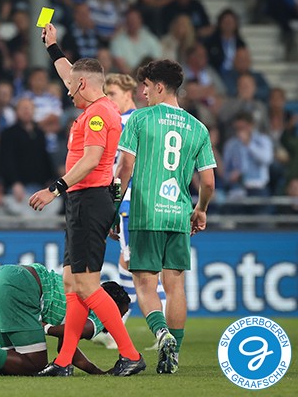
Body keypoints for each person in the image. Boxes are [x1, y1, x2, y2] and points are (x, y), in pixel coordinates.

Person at [27, 23, 145, 377]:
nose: (66, 89)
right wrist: (53, 46)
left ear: (82, 85)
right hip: (85, 202)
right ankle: (64, 361)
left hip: (89, 200)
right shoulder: (99, 106)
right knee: (72, 284)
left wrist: (54, 189)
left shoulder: (97, 115)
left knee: (86, 286)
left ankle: (130, 354)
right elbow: (70, 73)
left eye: (71, 85)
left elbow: (92, 160)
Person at [115, 59, 216, 374]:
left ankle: (161, 334)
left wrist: (112, 208)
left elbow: (125, 168)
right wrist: (200, 209)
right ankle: (175, 355)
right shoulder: (198, 128)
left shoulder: (139, 119)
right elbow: (209, 182)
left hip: (146, 213)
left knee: (145, 283)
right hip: (179, 214)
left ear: (159, 86)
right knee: (175, 286)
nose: (143, 93)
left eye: (146, 86)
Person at [0, 263, 131, 376]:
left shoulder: (80, 291)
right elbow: (83, 330)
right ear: (111, 304)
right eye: (118, 314)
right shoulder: (97, 304)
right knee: (36, 364)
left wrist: (96, 372)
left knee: (12, 366)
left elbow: (66, 348)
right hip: (18, 285)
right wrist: (45, 328)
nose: (117, 321)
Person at [96, 73, 166, 350]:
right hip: (149, 202)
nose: (109, 100)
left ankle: (155, 331)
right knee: (130, 264)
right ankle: (117, 327)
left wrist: (112, 203)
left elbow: (123, 167)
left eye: (112, 94)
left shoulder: (127, 121)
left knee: (138, 266)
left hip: (130, 201)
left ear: (129, 94)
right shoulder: (144, 121)